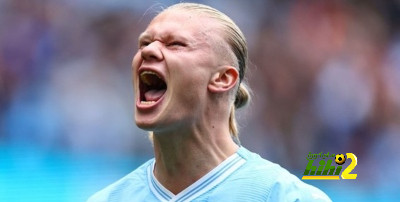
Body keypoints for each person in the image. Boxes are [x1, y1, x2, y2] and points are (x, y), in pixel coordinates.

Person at [88, 3, 331, 202]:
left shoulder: (285, 197)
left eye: (175, 44)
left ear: (223, 79)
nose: (149, 51)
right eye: (144, 43)